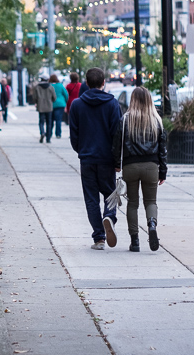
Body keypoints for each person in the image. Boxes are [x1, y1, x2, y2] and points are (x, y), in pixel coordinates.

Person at [69, 67, 122, 250]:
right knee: (111, 194)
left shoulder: (77, 105)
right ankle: (109, 217)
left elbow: (74, 135)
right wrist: (117, 160)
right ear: (103, 82)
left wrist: (81, 150)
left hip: (87, 158)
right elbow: (117, 134)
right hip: (107, 158)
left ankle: (99, 237)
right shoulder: (112, 104)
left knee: (91, 198)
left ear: (86, 82)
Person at [112, 86, 167, 253]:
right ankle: (151, 224)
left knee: (133, 203)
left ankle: (134, 240)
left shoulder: (126, 119)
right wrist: (163, 171)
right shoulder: (156, 119)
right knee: (151, 202)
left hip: (130, 166)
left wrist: (117, 164)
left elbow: (116, 145)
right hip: (151, 166)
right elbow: (162, 149)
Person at [31, 76, 56, 143]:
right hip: (49, 107)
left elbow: (34, 97)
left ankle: (42, 132)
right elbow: (54, 97)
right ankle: (48, 138)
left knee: (41, 122)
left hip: (40, 106)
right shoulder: (51, 87)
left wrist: (36, 102)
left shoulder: (37, 87)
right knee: (49, 122)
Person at [50, 74, 69, 139]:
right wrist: (65, 101)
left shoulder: (49, 86)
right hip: (60, 104)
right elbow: (66, 94)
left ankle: (49, 133)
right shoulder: (60, 86)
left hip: (51, 104)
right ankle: (58, 134)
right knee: (58, 120)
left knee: (51, 120)